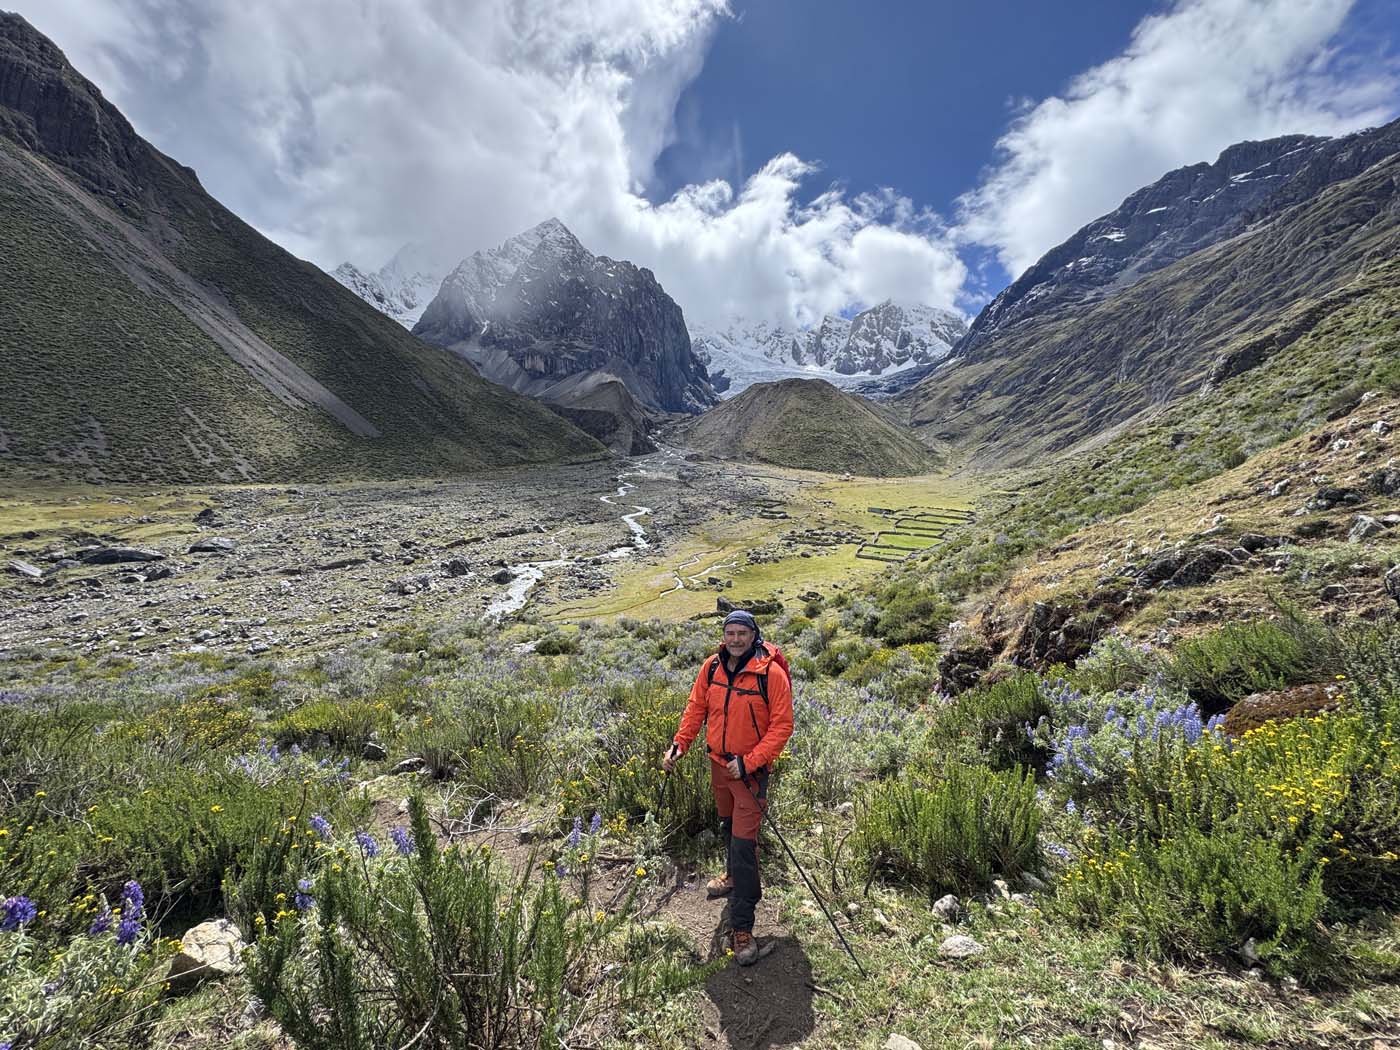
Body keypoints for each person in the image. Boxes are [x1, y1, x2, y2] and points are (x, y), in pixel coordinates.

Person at [663, 609, 793, 965]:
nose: (735, 639)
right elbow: (695, 710)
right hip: (718, 766)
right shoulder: (711, 668)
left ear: (754, 635)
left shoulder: (772, 674)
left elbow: (782, 727)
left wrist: (748, 762)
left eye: (742, 633)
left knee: (743, 845)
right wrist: (680, 744)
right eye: (730, 633)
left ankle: (742, 926)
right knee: (727, 827)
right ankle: (733, 878)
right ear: (725, 635)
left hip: (749, 775)